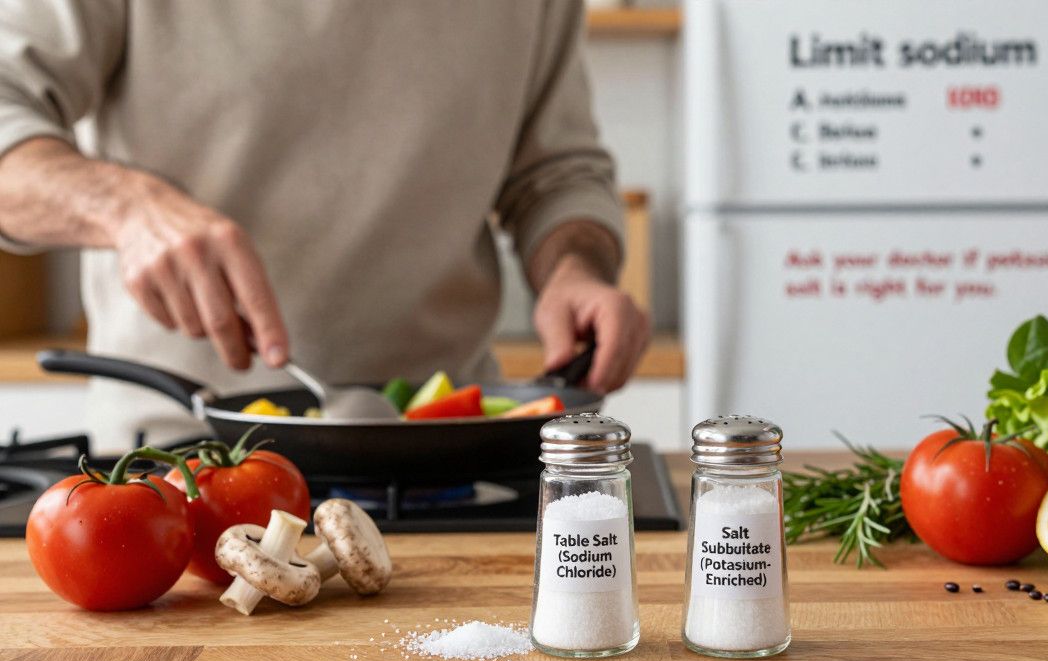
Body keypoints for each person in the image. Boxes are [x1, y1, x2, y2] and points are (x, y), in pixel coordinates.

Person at [0, 1, 649, 449]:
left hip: (447, 449)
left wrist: (574, 270)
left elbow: (557, 174)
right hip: (183, 456)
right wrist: (125, 207)